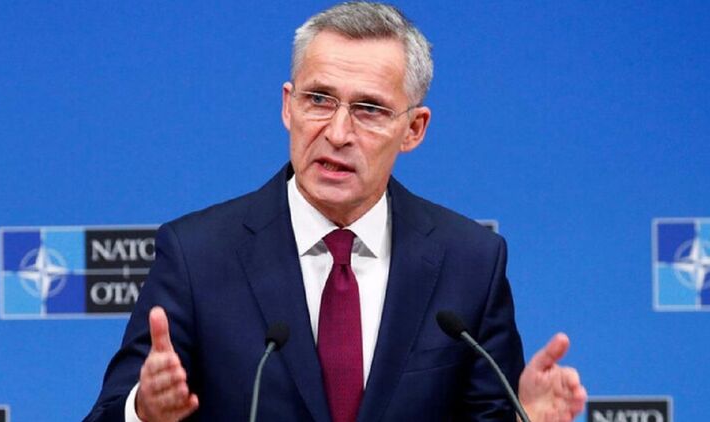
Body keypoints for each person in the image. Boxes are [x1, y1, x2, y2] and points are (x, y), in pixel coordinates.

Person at [84, 2, 586, 421]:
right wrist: (143, 412)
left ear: (414, 129)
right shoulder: (197, 255)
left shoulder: (470, 261)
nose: (339, 133)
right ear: (288, 106)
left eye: (369, 109)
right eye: (319, 99)